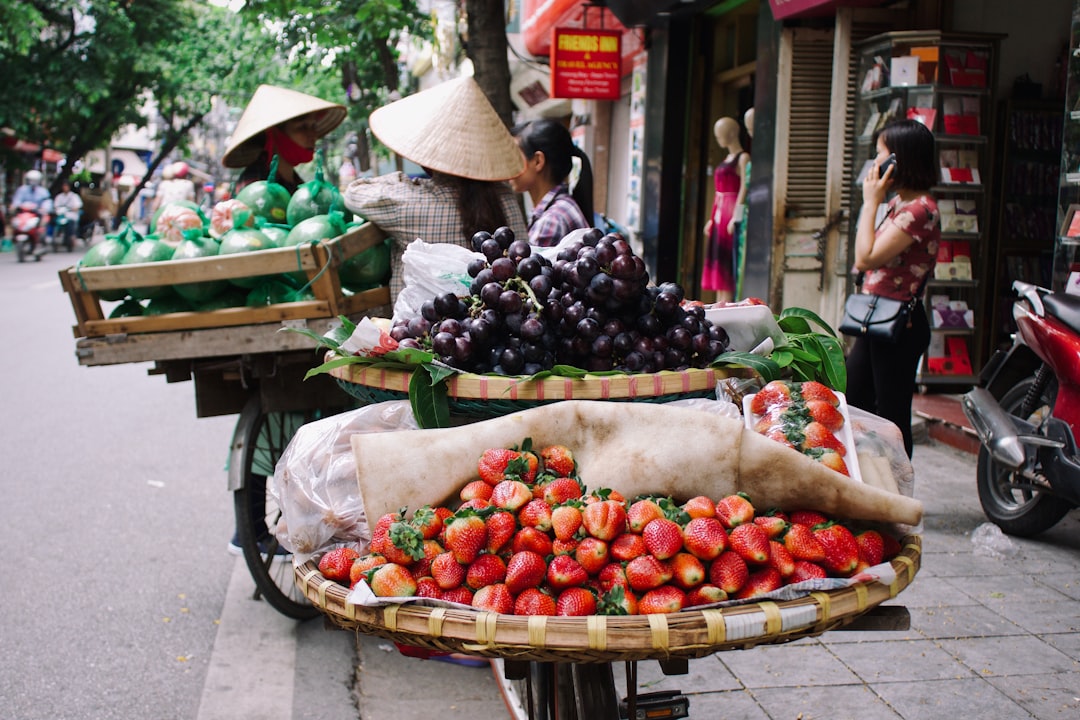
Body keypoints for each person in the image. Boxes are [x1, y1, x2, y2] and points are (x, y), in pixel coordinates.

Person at [344, 76, 528, 303]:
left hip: (422, 334)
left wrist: (402, 180)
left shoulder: (408, 201)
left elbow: (353, 193)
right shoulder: (506, 198)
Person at [846, 118, 940, 458]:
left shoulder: (921, 210)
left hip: (900, 325)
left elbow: (866, 256)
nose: (875, 163)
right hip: (875, 318)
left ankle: (895, 496)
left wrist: (870, 202)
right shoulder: (899, 204)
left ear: (899, 160)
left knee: (891, 417)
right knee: (854, 401)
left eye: (880, 154)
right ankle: (865, 488)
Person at [222, 84, 348, 195]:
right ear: (275, 134)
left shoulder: (296, 183)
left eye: (313, 126)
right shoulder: (254, 183)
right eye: (302, 127)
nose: (312, 134)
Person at [509, 118, 594, 246]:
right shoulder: (560, 208)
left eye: (514, 157)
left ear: (538, 161)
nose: (507, 166)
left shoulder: (551, 221)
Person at [701, 117, 749, 303]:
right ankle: (719, 303)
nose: (718, 138)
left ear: (732, 133)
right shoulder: (726, 159)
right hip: (720, 211)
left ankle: (726, 304)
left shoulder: (743, 158)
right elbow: (717, 191)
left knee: (726, 261)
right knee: (718, 259)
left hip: (730, 211)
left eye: (720, 134)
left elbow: (745, 186)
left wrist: (736, 215)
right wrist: (712, 219)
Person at [734, 108, 754, 299]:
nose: (750, 131)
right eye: (747, 127)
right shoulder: (750, 158)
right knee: (742, 261)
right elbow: (744, 188)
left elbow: (743, 188)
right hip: (747, 214)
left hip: (759, 215)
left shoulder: (749, 158)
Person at [10, 170, 52, 252]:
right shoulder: (22, 190)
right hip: (24, 214)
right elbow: (16, 200)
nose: (33, 182)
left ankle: (41, 242)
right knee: (14, 221)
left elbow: (47, 202)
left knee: (43, 222)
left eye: (35, 180)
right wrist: (14, 206)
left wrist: (44, 209)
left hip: (37, 214)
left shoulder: (43, 191)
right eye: (31, 180)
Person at [52, 180, 83, 250]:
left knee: (71, 225)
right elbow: (56, 206)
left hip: (71, 215)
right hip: (61, 215)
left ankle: (71, 237)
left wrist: (74, 208)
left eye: (66, 186)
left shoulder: (74, 196)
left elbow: (77, 206)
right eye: (64, 186)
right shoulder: (59, 197)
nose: (65, 187)